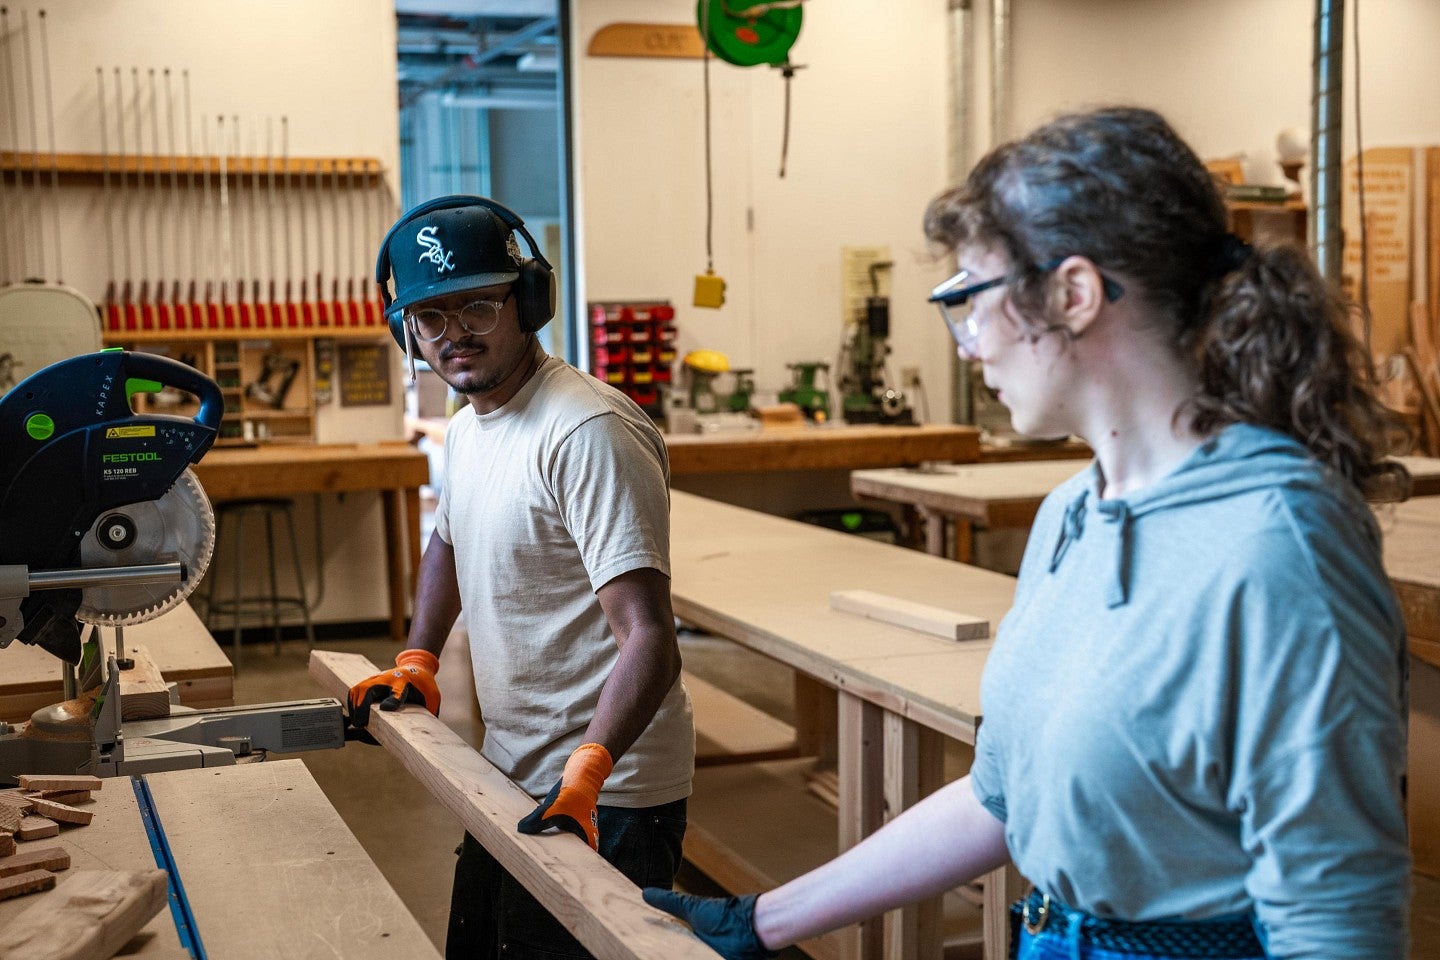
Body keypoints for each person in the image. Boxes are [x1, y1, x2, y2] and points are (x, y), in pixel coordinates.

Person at [646, 107, 1412, 959]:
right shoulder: (1072, 514)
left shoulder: (1278, 548)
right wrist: (762, 920)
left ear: (1075, 294)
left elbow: (1336, 923)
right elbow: (1003, 796)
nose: (967, 344)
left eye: (970, 298)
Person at [350, 195, 694, 960]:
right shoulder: (469, 424)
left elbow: (649, 639)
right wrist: (419, 657)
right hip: (508, 767)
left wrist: (589, 775)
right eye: (430, 317)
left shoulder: (587, 431)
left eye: (477, 305)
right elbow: (449, 541)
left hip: (611, 792)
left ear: (526, 302)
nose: (454, 335)